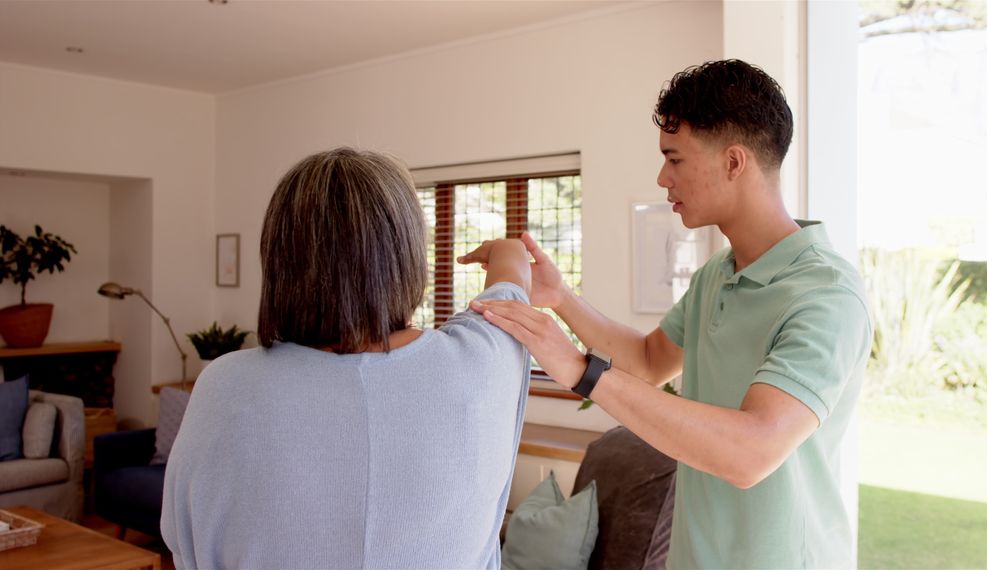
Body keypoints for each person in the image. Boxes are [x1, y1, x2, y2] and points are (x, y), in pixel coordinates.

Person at [463, 60, 872, 568]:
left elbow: (750, 453)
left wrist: (575, 368)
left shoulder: (826, 294)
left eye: (674, 158)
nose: (663, 177)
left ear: (734, 162)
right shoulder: (718, 273)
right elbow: (650, 360)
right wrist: (562, 299)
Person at [161, 148, 533, 569]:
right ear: (406, 259)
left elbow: (185, 541)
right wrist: (506, 251)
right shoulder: (479, 365)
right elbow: (511, 284)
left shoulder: (225, 385)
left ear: (280, 259)